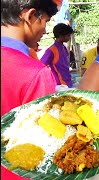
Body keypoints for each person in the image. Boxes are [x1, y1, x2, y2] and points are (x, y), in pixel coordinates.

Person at [1, 0, 58, 179]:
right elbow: (47, 146)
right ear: (30, 16)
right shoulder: (36, 74)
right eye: (46, 21)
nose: (46, 30)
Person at [41, 23, 74, 87]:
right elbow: (41, 64)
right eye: (68, 35)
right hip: (60, 84)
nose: (69, 37)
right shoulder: (51, 50)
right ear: (61, 36)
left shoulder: (64, 48)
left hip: (68, 82)